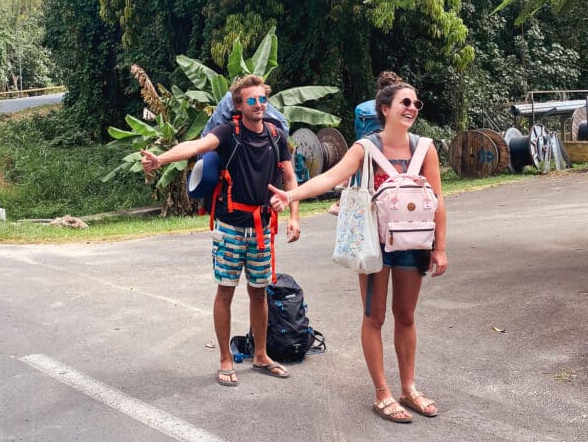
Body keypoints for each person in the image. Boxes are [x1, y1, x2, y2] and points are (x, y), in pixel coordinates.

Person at [269, 79, 447, 423]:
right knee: (374, 317)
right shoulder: (365, 148)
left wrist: (440, 247)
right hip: (374, 245)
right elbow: (331, 176)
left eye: (415, 104)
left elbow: (439, 202)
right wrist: (292, 196)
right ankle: (382, 393)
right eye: (405, 103)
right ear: (385, 109)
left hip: (414, 243)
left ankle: (408, 388)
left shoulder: (425, 148)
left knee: (407, 316)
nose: (411, 108)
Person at [141, 75, 301, 387]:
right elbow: (196, 146)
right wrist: (160, 159)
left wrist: (294, 215)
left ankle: (261, 354)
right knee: (225, 291)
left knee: (259, 293)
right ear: (239, 106)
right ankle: (225, 358)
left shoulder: (276, 135)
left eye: (262, 99)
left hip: (262, 226)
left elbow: (290, 178)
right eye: (251, 101)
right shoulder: (229, 132)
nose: (258, 105)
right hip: (229, 228)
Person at [328, 70, 402, 214]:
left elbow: (358, 132)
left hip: (365, 156)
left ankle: (343, 199)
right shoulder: (399, 108)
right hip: (390, 158)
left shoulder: (361, 108)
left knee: (362, 192)